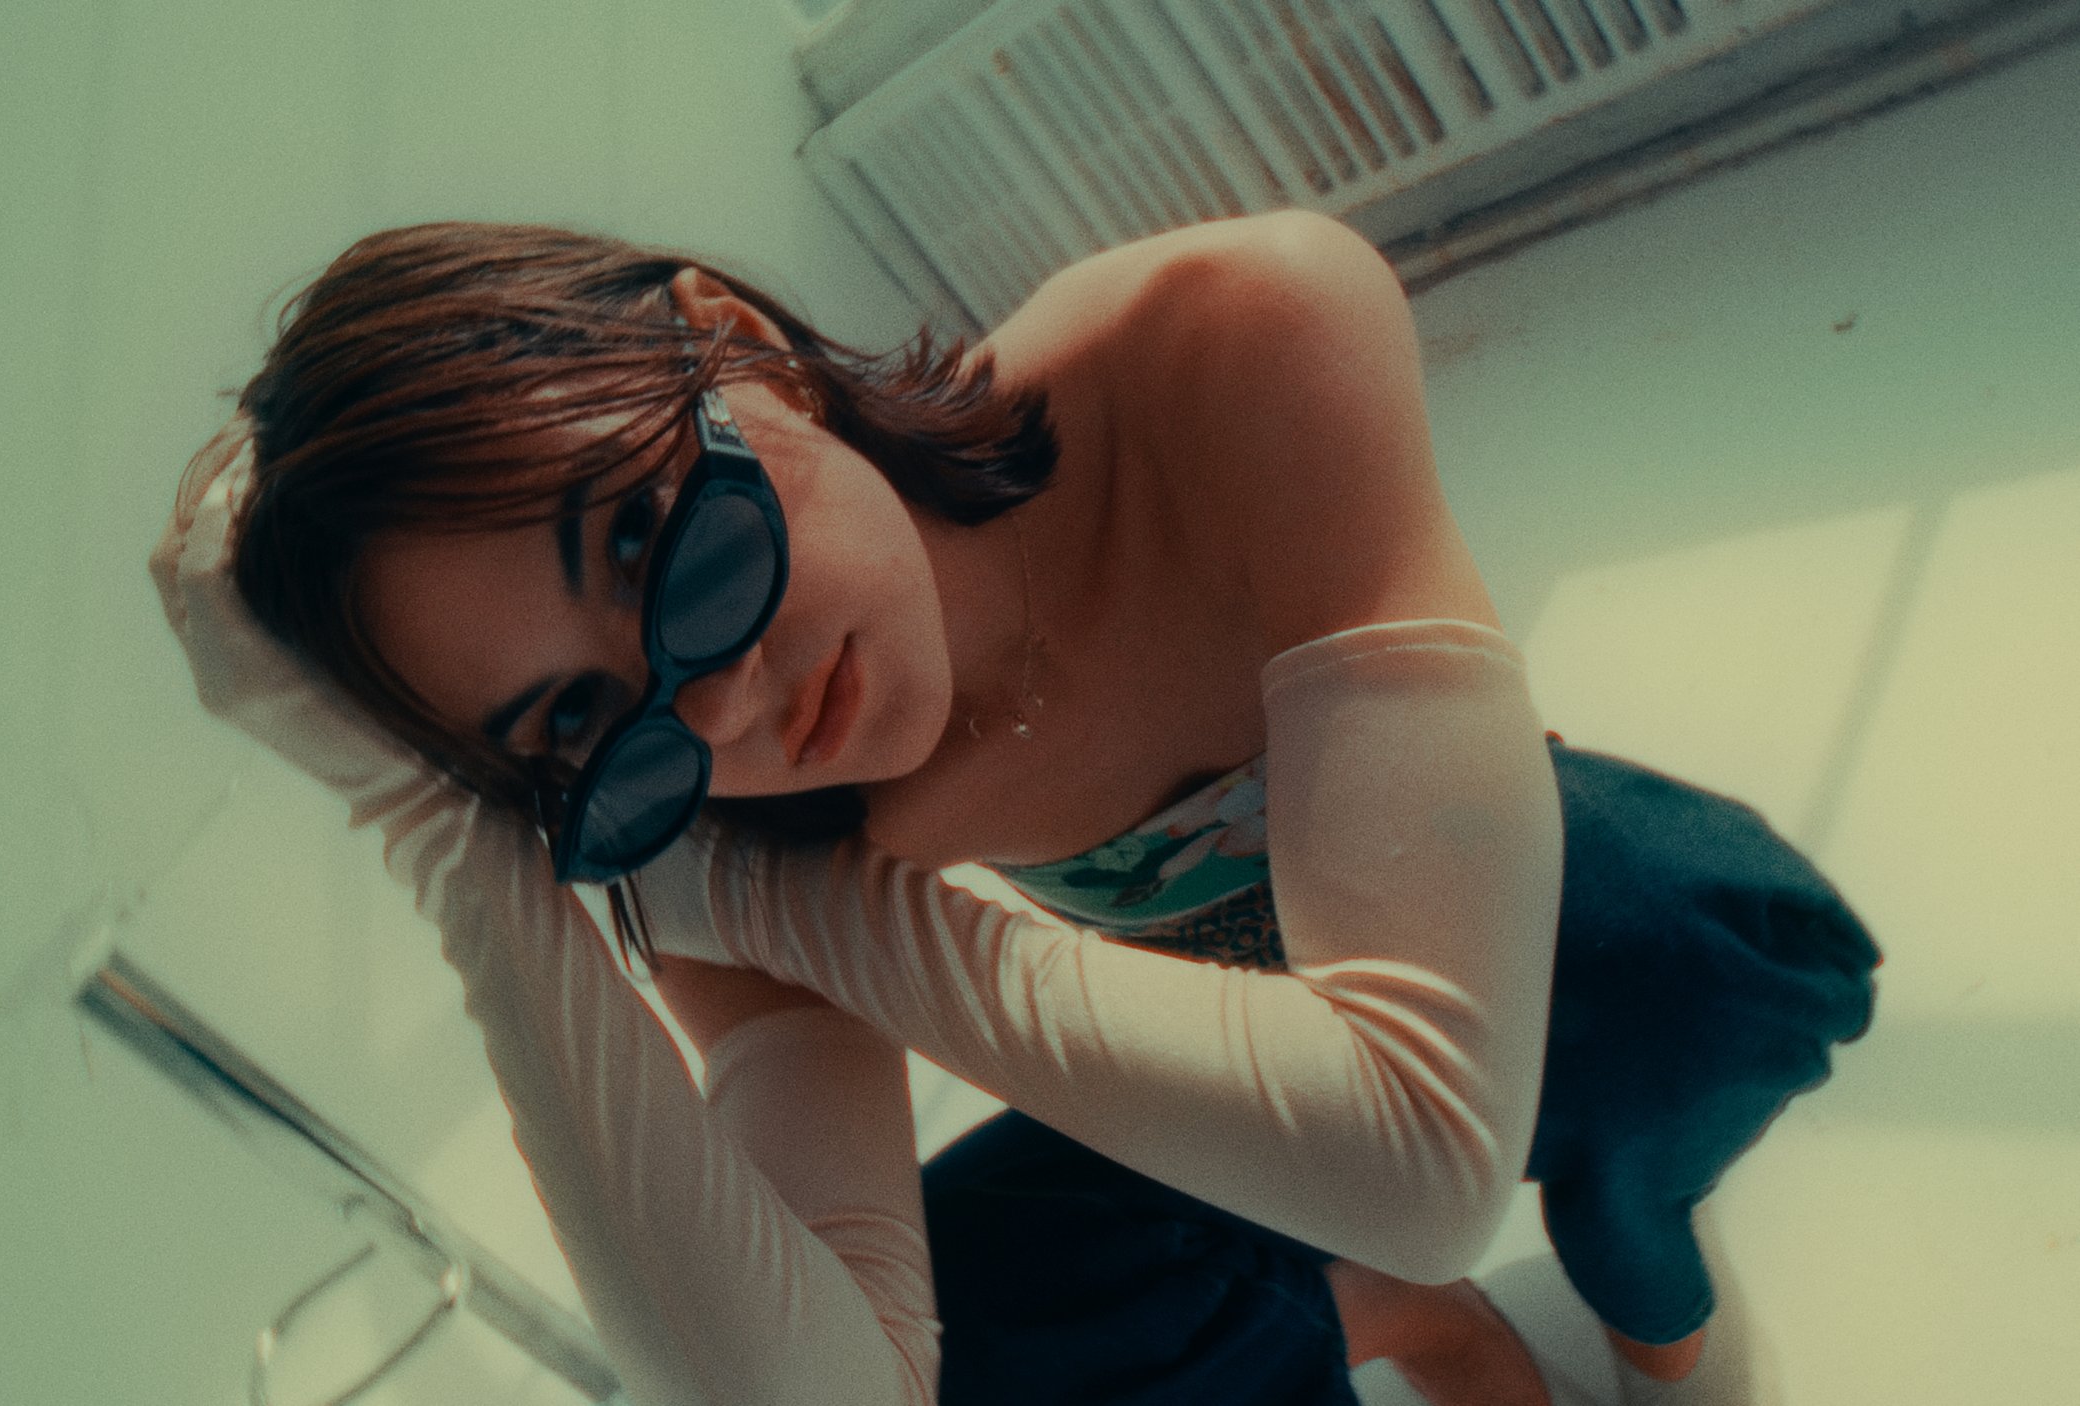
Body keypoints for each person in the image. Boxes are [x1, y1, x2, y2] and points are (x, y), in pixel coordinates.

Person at [153, 214, 1878, 1406]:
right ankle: (1431, 1330)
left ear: (735, 343)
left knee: (1660, 1127)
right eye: (585, 720)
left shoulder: (1229, 344)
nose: (732, 696)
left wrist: (800, 910)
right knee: (1008, 1338)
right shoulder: (716, 817)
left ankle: (1652, 1287)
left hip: (1570, 921)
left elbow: (1419, 1154)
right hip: (1262, 1064)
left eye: (648, 540)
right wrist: (436, 833)